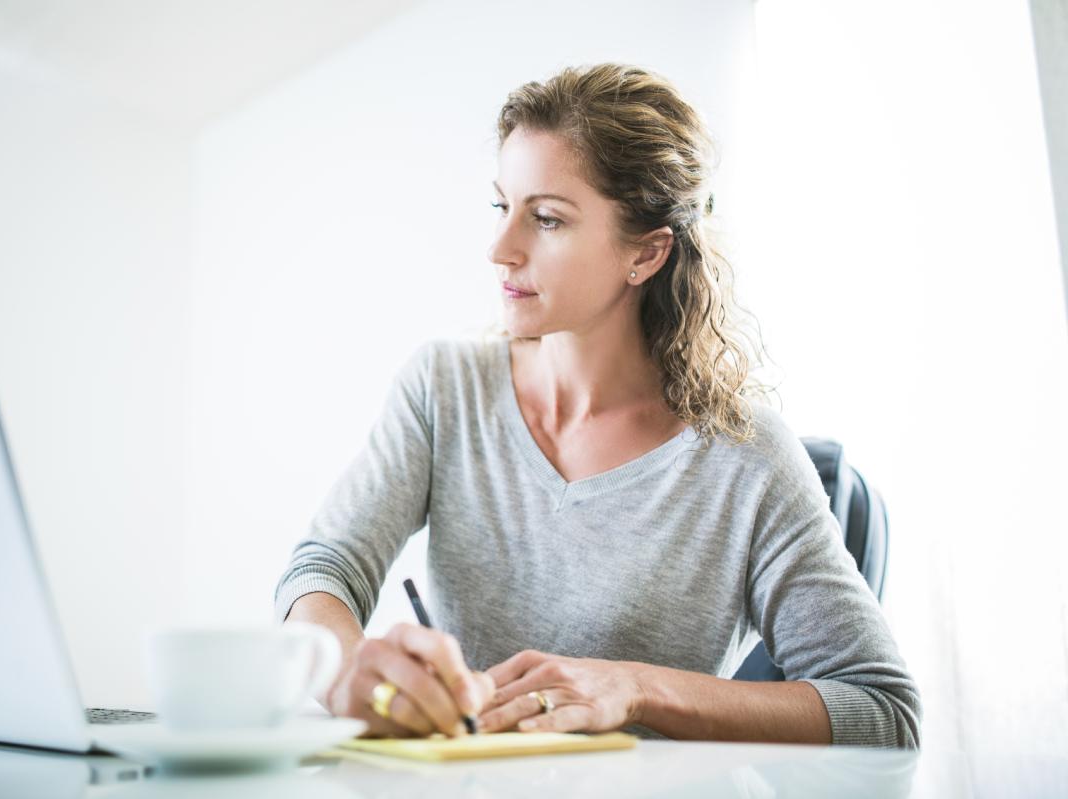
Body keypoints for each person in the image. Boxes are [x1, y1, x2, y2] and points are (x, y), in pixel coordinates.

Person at [274, 62, 921, 748]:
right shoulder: (444, 387)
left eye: (546, 218)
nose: (500, 249)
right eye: (502, 207)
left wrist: (637, 686)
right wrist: (345, 675)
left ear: (645, 252)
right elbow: (322, 568)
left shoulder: (746, 457)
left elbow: (883, 708)